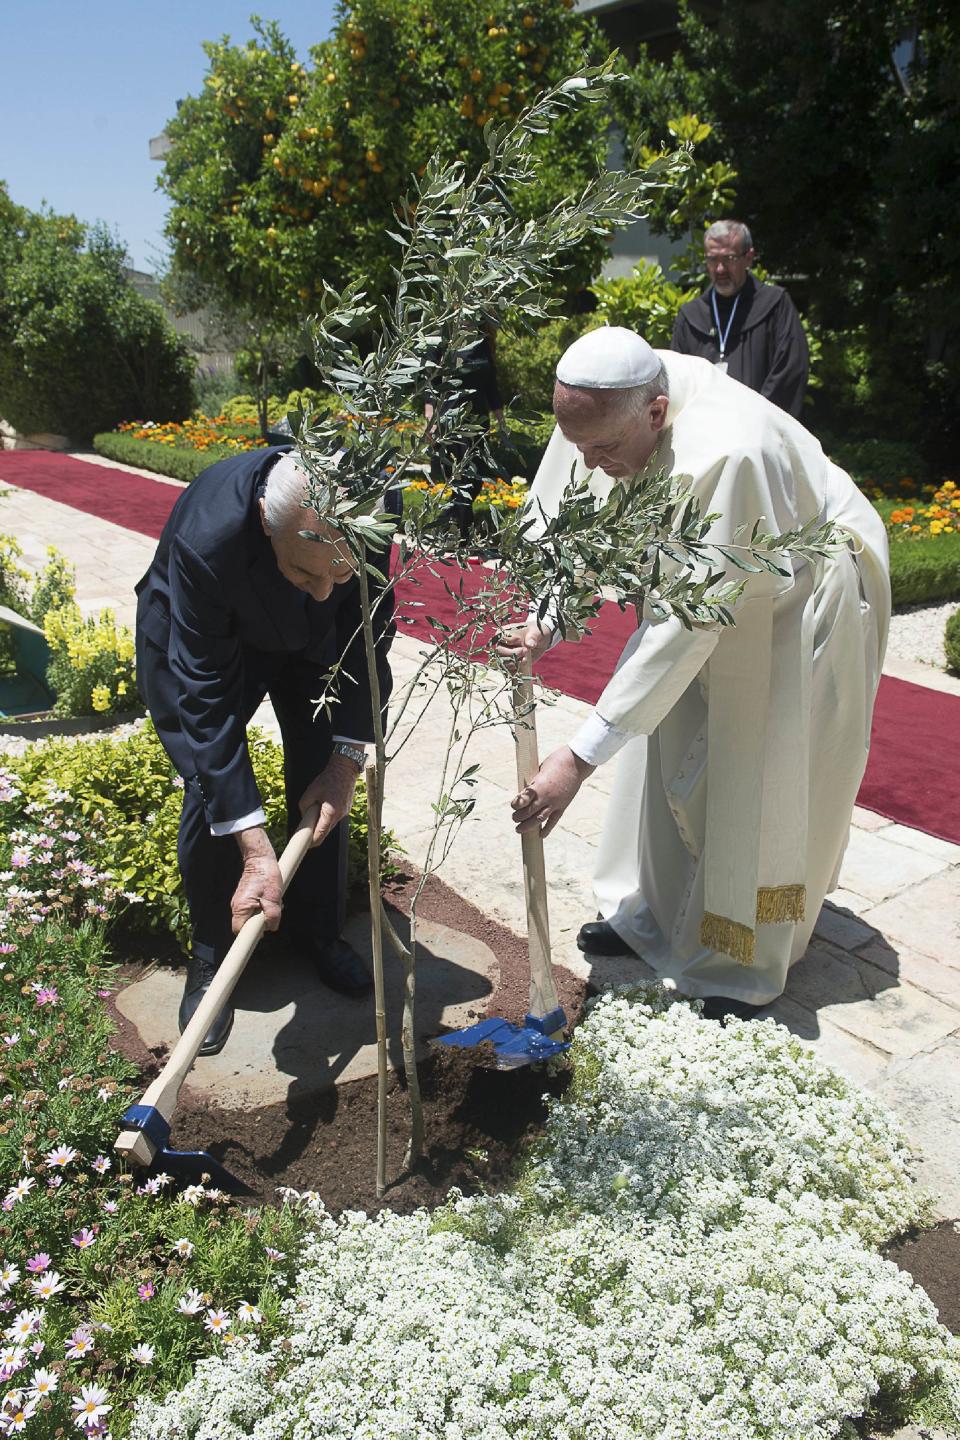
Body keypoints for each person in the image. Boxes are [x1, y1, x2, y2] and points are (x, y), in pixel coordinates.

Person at [500, 327, 889, 1018]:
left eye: (603, 451)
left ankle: (741, 962)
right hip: (710, 580)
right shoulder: (601, 408)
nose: (589, 463)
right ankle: (648, 917)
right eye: (578, 446)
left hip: (796, 595)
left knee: (752, 773)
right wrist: (545, 616)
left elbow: (688, 623)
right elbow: (580, 515)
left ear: (655, 414)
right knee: (668, 745)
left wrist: (580, 757)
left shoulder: (726, 452)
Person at [135, 447, 394, 1055]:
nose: (327, 588)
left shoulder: (368, 516)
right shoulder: (209, 541)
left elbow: (368, 637)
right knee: (213, 785)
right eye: (309, 572)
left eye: (340, 573)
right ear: (264, 523)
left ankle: (318, 929)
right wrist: (254, 847)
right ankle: (212, 954)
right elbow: (204, 707)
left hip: (313, 647)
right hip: (213, 641)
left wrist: (345, 763)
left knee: (323, 785)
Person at [671, 219, 809, 419]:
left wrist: (755, 421)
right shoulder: (691, 316)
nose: (720, 269)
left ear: (749, 258)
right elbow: (678, 381)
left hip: (760, 433)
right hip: (704, 434)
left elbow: (790, 371)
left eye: (729, 259)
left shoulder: (775, 305)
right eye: (712, 260)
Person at [425, 326, 504, 536]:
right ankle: (463, 535)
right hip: (452, 418)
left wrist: (501, 419)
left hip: (479, 419)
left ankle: (447, 522)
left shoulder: (482, 343)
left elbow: (491, 384)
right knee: (462, 477)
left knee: (476, 478)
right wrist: (430, 421)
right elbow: (431, 384)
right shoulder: (443, 340)